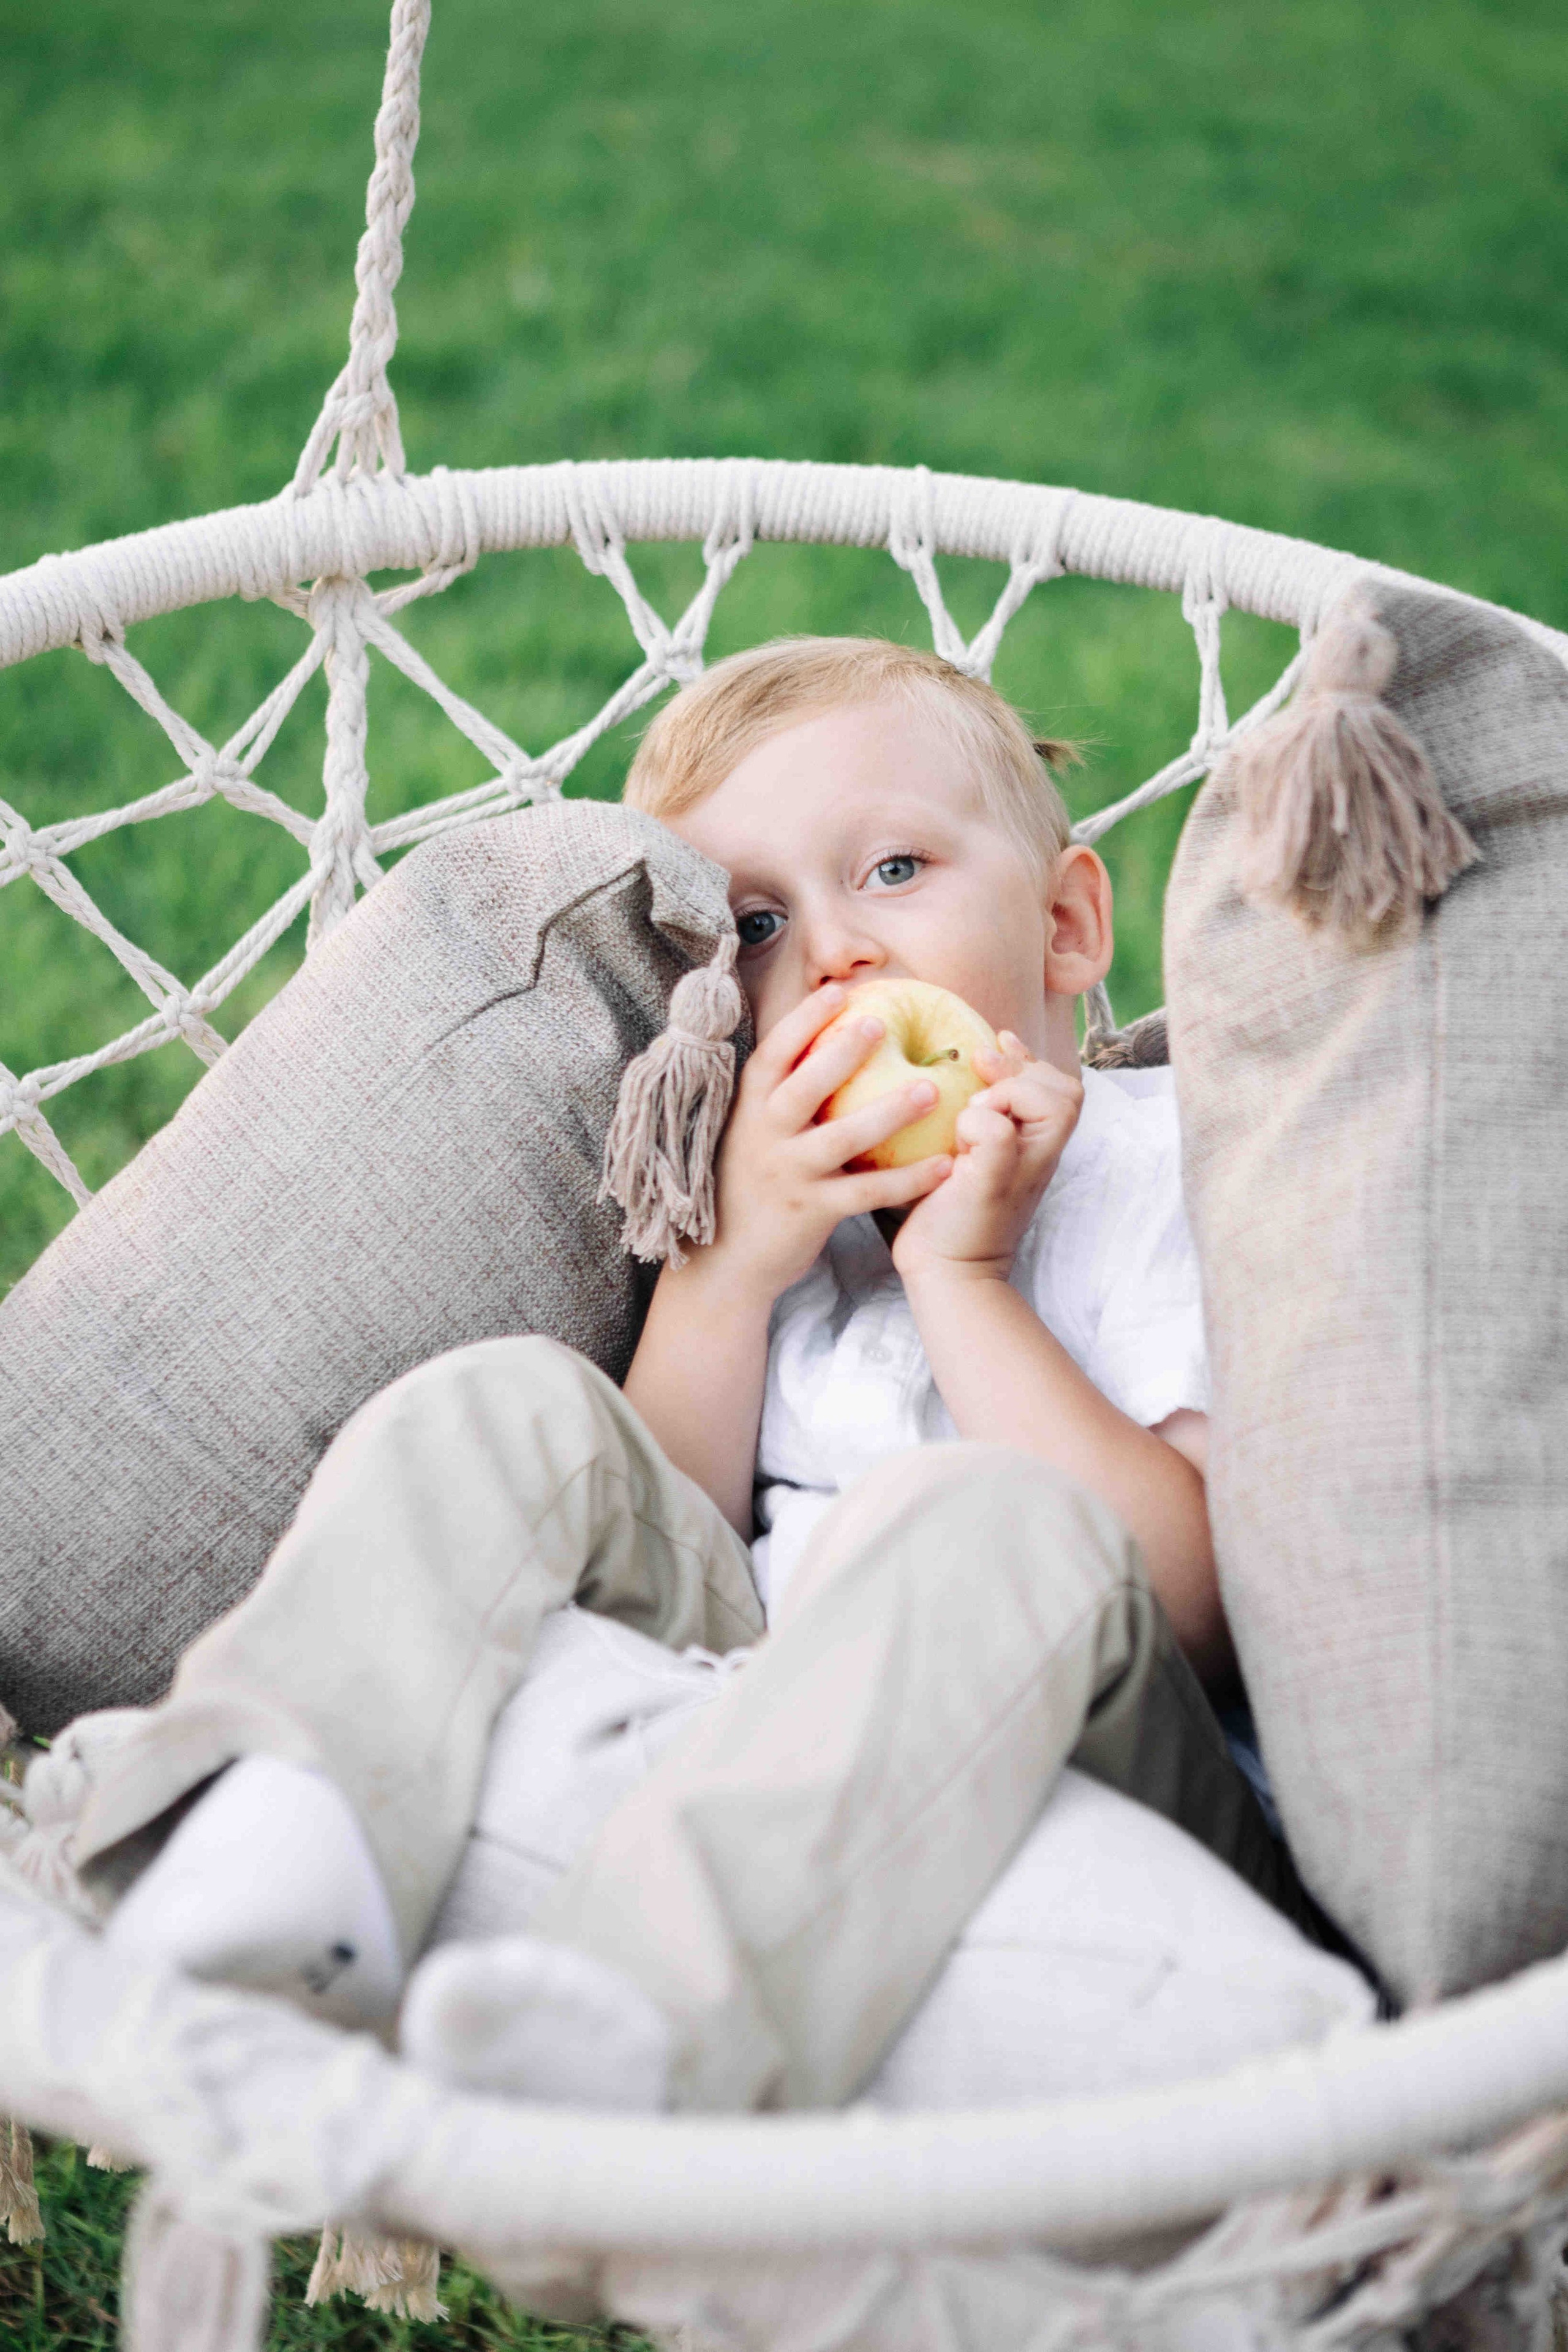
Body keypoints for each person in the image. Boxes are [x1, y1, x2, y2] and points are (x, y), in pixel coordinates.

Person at [67, 637, 1325, 2117]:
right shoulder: (784, 1227)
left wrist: (960, 1280)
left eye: (896, 870)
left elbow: (1193, 1612)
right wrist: (728, 1271)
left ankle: (646, 2010)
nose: (836, 955)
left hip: (1117, 1778)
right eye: (754, 921)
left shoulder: (1171, 1166)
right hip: (764, 1722)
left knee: (970, 1520)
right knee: (504, 1404)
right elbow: (645, 1548)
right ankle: (291, 1820)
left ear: (1062, 925)